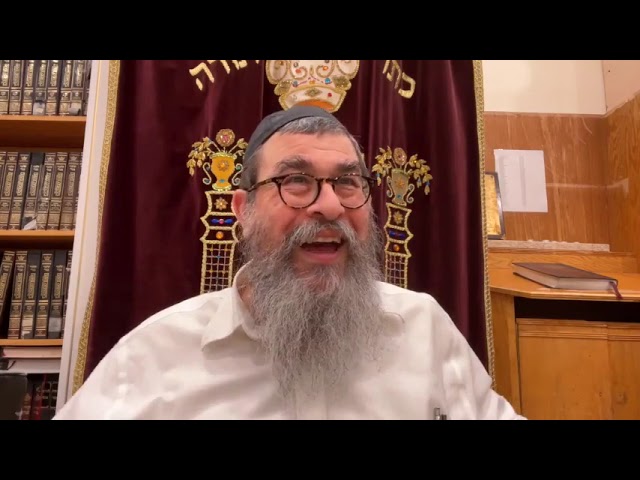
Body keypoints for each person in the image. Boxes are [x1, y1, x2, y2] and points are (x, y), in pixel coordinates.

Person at [54, 105, 525, 420]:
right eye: (296, 181)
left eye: (348, 182)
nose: (330, 205)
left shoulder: (423, 326)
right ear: (244, 211)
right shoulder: (157, 353)